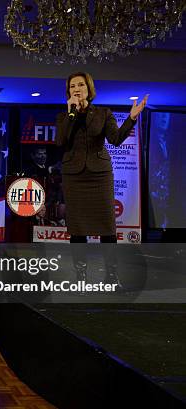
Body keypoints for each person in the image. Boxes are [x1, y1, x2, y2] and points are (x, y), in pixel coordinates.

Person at [55, 71, 147, 285]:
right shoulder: (63, 116)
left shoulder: (103, 113)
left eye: (80, 85)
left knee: (107, 227)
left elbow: (115, 139)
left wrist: (132, 118)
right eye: (72, 86)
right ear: (68, 91)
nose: (76, 89)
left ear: (89, 89)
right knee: (78, 229)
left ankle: (111, 277)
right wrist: (71, 114)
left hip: (100, 176)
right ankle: (81, 278)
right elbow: (60, 142)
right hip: (74, 178)